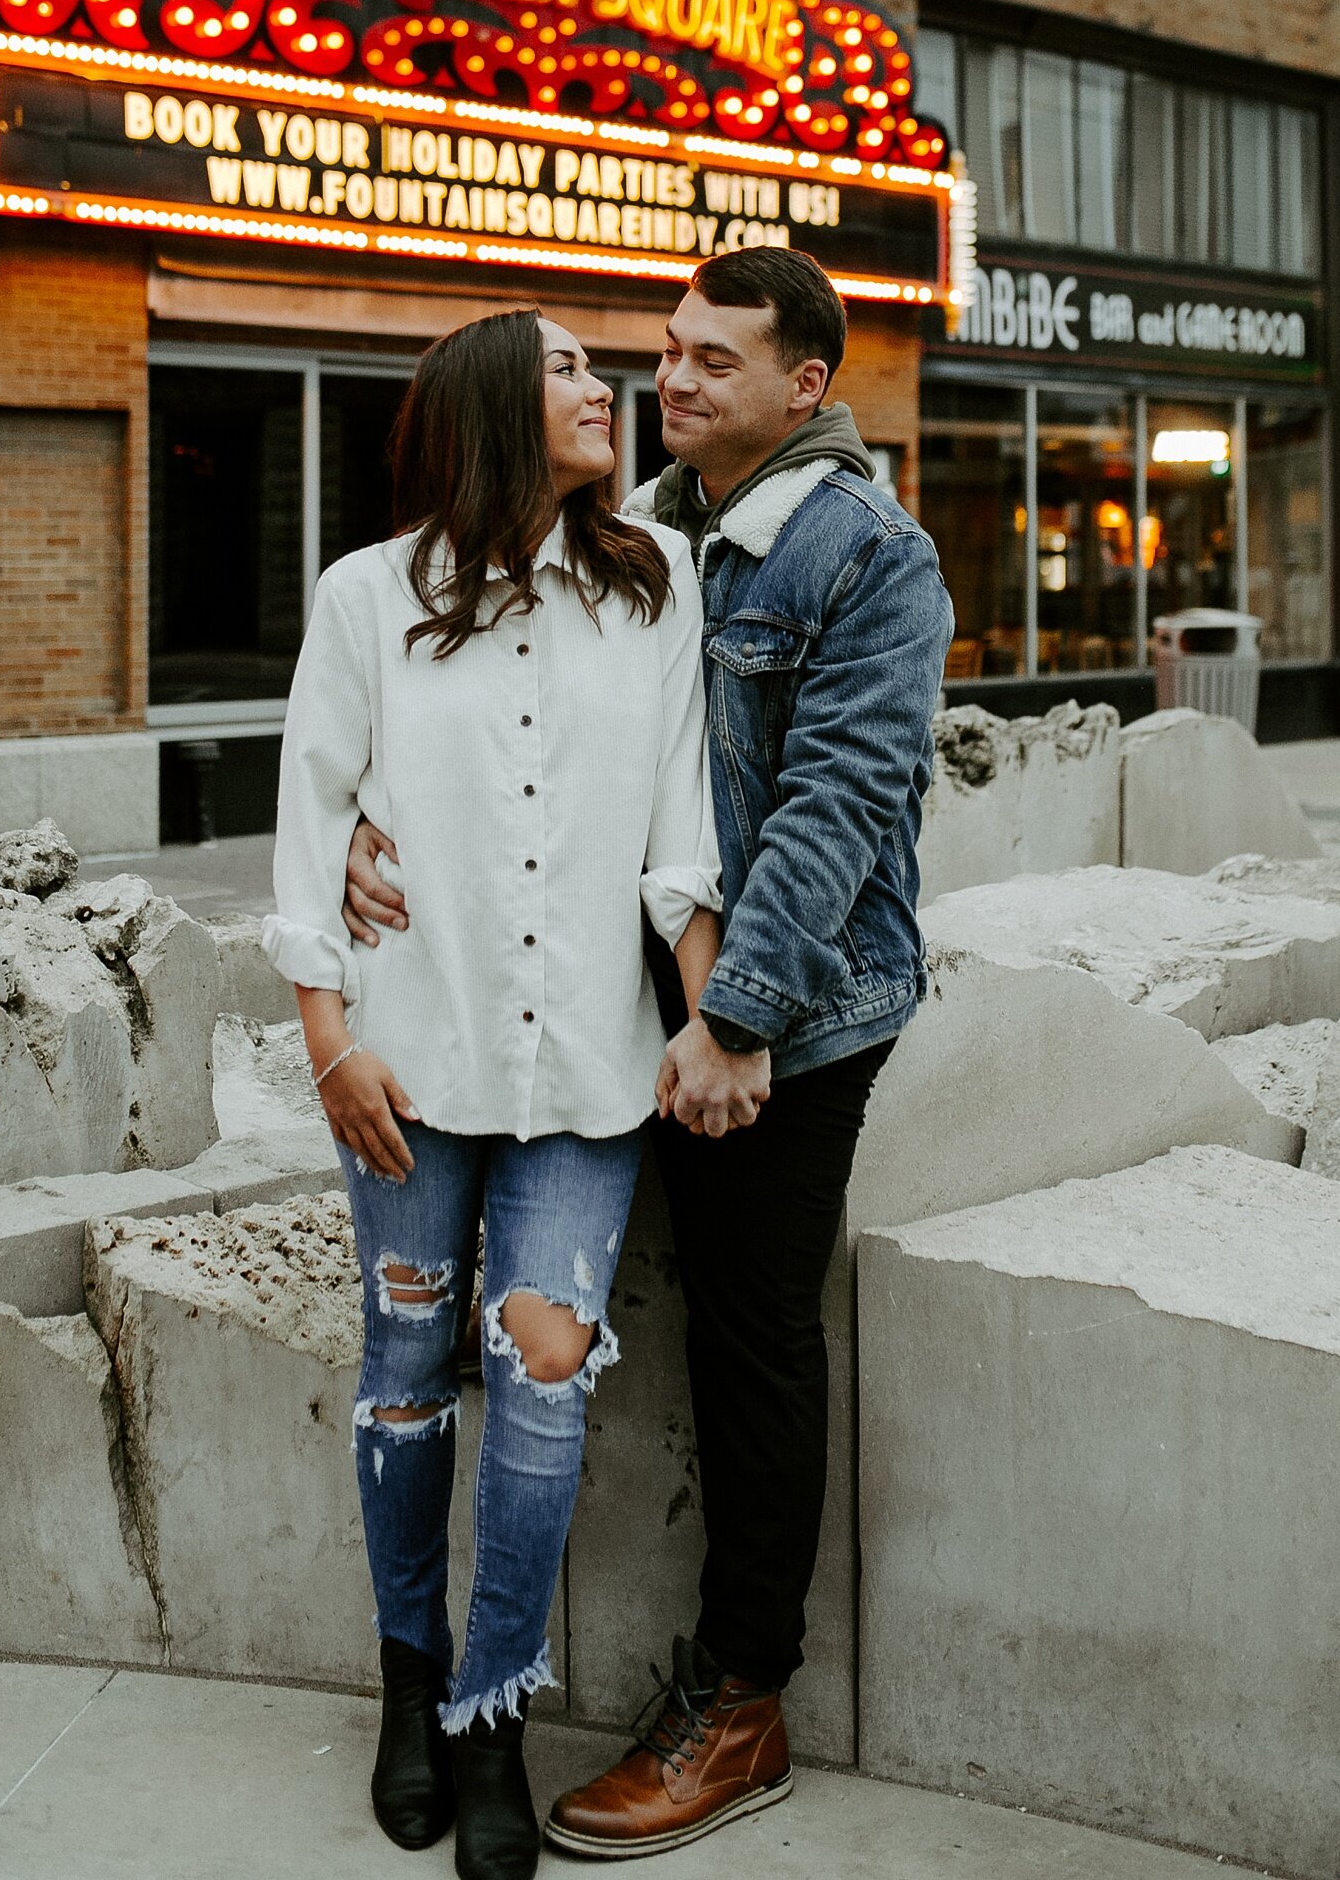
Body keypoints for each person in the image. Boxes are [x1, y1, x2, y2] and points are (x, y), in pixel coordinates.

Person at [345, 247, 952, 1860]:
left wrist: (737, 1016)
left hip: (784, 1027)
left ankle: (740, 1698)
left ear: (803, 387)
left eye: (711, 362)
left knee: (753, 1338)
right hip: (612, 1037)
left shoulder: (863, 554)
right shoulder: (654, 530)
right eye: (664, 352)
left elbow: (827, 816)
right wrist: (361, 828)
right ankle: (450, 1688)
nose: (668, 381)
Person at [265, 308, 721, 1880]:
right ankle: (406, 1676)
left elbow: (680, 834)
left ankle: (488, 1714)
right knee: (403, 1373)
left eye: (610, 369)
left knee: (540, 1386)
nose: (609, 390)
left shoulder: (651, 595)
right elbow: (310, 815)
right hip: (406, 1059)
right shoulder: (365, 598)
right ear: (485, 409)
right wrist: (328, 1038)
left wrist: (718, 1018)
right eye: (573, 371)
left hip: (588, 1076)